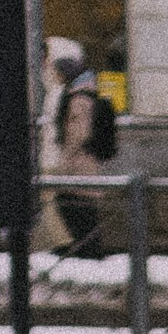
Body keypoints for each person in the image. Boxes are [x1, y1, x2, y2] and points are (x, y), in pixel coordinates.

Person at [46, 64, 118, 259]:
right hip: (85, 160)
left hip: (79, 161)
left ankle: (86, 249)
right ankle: (82, 248)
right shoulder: (85, 95)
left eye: (61, 72)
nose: (58, 76)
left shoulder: (78, 99)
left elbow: (79, 132)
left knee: (75, 204)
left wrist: (67, 156)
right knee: (79, 205)